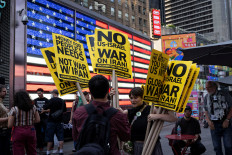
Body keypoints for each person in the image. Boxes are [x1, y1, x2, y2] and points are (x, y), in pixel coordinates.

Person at [72, 75, 130, 155]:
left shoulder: (79, 112)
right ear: (107, 91)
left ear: (90, 92)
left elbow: (75, 137)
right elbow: (126, 137)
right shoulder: (117, 114)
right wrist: (124, 117)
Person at [118, 87, 177, 155]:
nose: (133, 100)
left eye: (136, 98)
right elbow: (116, 115)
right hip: (137, 147)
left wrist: (157, 116)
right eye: (131, 98)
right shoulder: (128, 112)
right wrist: (111, 97)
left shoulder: (150, 109)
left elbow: (173, 118)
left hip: (151, 146)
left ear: (142, 97)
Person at [8, 90, 40, 155]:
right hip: (31, 130)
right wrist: (29, 121)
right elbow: (38, 120)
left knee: (18, 151)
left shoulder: (14, 109)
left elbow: (10, 125)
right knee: (32, 151)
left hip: (18, 131)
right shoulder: (33, 107)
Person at [204, 81, 232, 155]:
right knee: (216, 147)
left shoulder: (225, 94)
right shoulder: (206, 97)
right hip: (213, 124)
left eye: (209, 87)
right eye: (206, 88)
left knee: (228, 146)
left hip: (225, 122)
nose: (207, 89)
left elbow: (231, 108)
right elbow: (206, 110)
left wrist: (227, 120)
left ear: (214, 87)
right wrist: (209, 121)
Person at [43, 89, 67, 155]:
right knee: (60, 137)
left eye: (51, 93)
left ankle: (48, 152)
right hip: (60, 121)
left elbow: (45, 107)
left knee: (49, 136)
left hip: (51, 121)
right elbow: (64, 110)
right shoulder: (62, 101)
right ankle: (61, 151)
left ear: (54, 93)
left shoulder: (51, 100)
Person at [34, 88, 49, 152]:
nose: (38, 94)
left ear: (43, 92)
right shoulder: (35, 100)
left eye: (39, 93)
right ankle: (40, 146)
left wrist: (44, 111)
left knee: (47, 131)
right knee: (38, 133)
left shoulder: (46, 100)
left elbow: (49, 109)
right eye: (37, 93)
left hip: (45, 118)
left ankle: (49, 145)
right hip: (38, 118)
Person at [0, 84, 11, 155]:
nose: (6, 93)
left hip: (5, 131)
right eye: (4, 91)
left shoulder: (1, 103)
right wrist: (9, 118)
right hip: (1, 132)